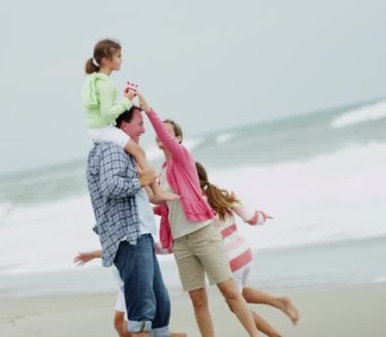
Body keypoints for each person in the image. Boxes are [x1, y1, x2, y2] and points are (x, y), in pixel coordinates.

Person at [138, 95, 258, 337]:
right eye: (159, 137)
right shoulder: (160, 172)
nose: (162, 139)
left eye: (168, 134)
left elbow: (166, 136)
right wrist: (143, 193)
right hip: (182, 243)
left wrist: (148, 109)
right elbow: (163, 204)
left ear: (177, 138)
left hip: (202, 233)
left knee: (230, 292)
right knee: (198, 300)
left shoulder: (183, 158)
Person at [86, 106, 171, 337]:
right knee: (143, 312)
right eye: (140, 123)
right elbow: (110, 186)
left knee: (160, 307)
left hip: (140, 235)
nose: (143, 129)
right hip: (130, 237)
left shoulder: (124, 152)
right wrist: (141, 180)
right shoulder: (112, 150)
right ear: (124, 126)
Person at [195, 161, 300, 337]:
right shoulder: (221, 193)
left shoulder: (194, 205)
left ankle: (275, 335)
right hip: (243, 254)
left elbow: (186, 238)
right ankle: (279, 301)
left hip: (226, 261)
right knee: (241, 293)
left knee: (235, 305)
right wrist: (262, 217)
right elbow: (251, 217)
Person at [82, 38, 177, 203]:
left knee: (135, 153)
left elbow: (105, 110)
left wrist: (125, 100)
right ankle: (157, 191)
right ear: (106, 60)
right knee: (139, 151)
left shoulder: (96, 80)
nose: (121, 59)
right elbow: (107, 114)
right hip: (102, 129)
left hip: (97, 129)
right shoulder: (105, 84)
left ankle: (153, 191)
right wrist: (126, 100)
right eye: (118, 56)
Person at [74, 250, 186, 337]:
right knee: (118, 325)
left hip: (133, 286)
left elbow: (118, 249)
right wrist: (92, 255)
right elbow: (111, 250)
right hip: (123, 288)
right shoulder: (112, 234)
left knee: (130, 328)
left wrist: (91, 255)